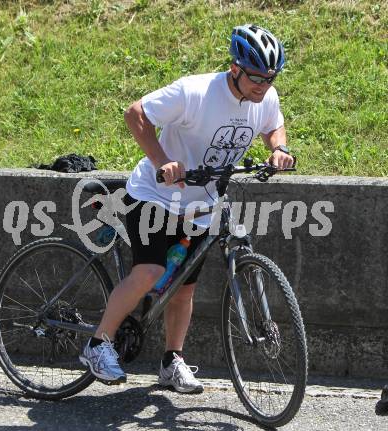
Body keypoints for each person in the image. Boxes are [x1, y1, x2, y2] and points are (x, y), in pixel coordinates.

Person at [79, 24, 295, 393]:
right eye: (257, 77)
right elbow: (136, 114)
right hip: (155, 196)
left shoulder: (265, 97)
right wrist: (163, 160)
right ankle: (97, 345)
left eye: (270, 78)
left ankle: (171, 361)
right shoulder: (194, 92)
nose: (263, 85)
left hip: (201, 205)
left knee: (183, 288)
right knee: (150, 271)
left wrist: (278, 149)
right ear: (235, 69)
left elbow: (274, 126)